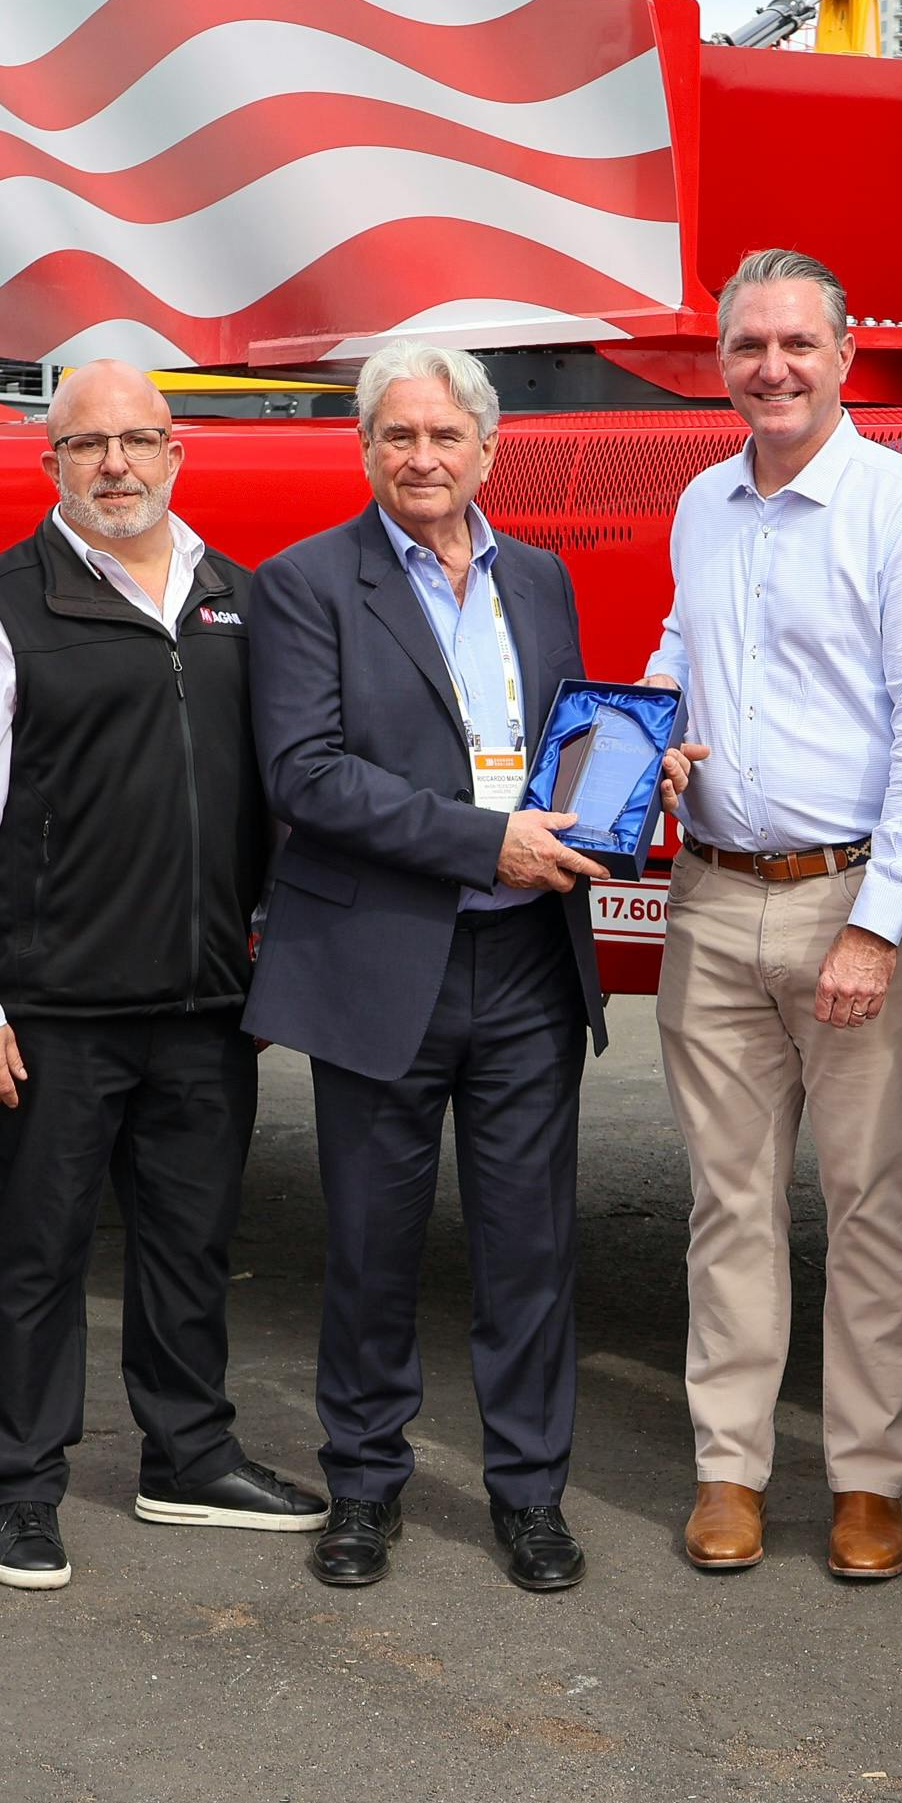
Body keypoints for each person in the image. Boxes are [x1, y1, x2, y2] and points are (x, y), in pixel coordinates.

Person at [0, 361, 324, 1594]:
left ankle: (186, 1453)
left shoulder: (234, 602)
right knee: (35, 1255)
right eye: (89, 446)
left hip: (205, 1006)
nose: (118, 465)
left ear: (179, 453)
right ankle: (23, 1487)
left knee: (192, 1245)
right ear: (52, 466)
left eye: (140, 441)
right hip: (50, 1013)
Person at [243, 339, 607, 1594]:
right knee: (370, 1247)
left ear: (489, 449)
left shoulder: (543, 579)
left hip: (524, 971)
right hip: (381, 963)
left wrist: (615, 785)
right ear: (364, 450)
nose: (421, 457)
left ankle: (530, 1497)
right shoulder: (304, 585)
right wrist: (484, 839)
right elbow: (307, 774)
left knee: (528, 1252)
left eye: (445, 436)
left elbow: (555, 742)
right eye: (397, 436)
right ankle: (363, 1488)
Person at [649, 248, 902, 1583]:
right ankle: (729, 1467)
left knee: (870, 1204)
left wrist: (880, 919)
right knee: (726, 1204)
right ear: (721, 362)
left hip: (855, 896)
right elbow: (686, 644)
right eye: (748, 347)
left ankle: (866, 1479)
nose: (772, 368)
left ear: (848, 355)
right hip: (714, 897)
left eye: (797, 343)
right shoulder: (702, 503)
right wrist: (658, 731)